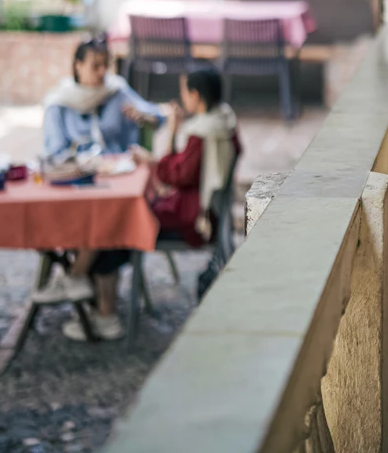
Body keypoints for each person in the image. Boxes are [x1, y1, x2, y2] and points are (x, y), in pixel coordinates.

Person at [32, 67, 241, 341]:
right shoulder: (223, 120)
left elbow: (175, 174)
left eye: (183, 92)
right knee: (111, 217)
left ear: (194, 95)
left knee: (114, 221)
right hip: (196, 207)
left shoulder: (202, 132)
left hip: (189, 215)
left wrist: (162, 146)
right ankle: (85, 287)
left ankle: (93, 299)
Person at [43, 37, 164, 158]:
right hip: (75, 172)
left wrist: (143, 117)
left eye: (105, 65)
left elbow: (158, 115)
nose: (102, 72)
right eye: (95, 66)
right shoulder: (58, 104)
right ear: (78, 66)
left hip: (118, 168)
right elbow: (55, 154)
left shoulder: (116, 91)